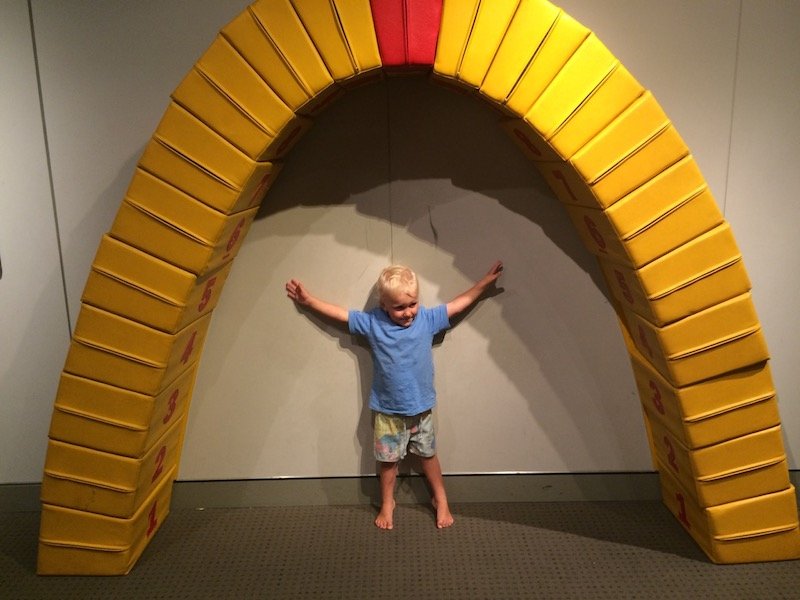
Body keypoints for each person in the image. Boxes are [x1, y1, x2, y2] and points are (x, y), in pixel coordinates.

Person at [285, 260, 503, 529]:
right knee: (387, 463)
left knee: (429, 457)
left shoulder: (426, 319)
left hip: (421, 409)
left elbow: (458, 304)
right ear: (384, 305)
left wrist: (483, 284)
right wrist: (309, 301)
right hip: (388, 412)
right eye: (399, 307)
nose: (408, 313)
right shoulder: (373, 322)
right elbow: (341, 315)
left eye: (412, 305)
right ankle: (388, 502)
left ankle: (440, 499)